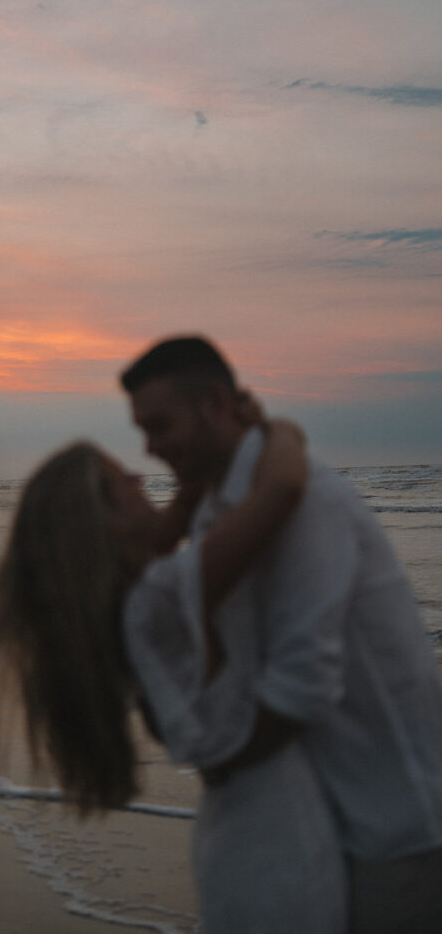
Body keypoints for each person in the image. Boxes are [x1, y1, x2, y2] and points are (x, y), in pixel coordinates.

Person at [0, 424, 348, 933]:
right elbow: (282, 489)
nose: (138, 474)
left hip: (252, 842)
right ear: (105, 520)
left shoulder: (133, 604)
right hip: (278, 856)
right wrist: (276, 430)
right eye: (120, 478)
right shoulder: (160, 598)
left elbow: (170, 520)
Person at [120, 335, 442, 934]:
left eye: (160, 426)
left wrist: (222, 764)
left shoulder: (306, 502)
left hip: (394, 821)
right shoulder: (232, 508)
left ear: (215, 403)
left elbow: (303, 684)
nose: (150, 449)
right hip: (331, 818)